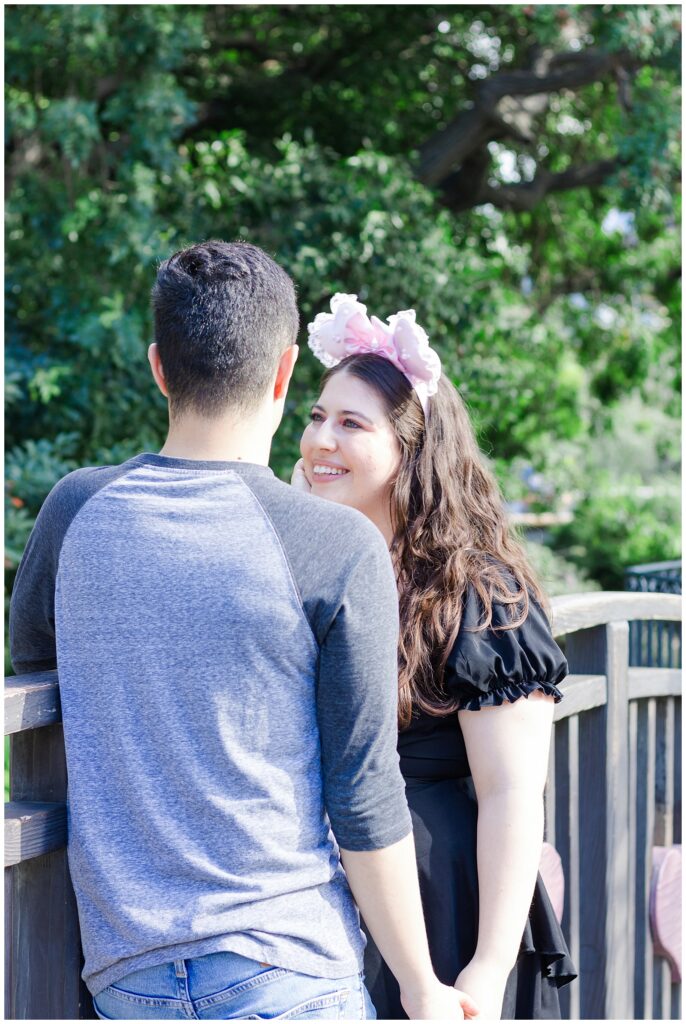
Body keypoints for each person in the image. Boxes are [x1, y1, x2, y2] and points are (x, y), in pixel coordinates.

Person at [9, 245, 478, 1021]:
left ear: (159, 367)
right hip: (288, 967)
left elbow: (42, 675)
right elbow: (362, 793)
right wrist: (423, 987)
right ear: (286, 373)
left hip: (124, 978)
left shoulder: (72, 511)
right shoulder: (332, 543)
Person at [294, 293, 578, 1020]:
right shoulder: (314, 565)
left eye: (352, 423)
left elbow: (512, 794)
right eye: (316, 417)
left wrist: (486, 967)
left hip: (436, 896)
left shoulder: (480, 589)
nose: (320, 440)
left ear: (411, 449)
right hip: (319, 897)